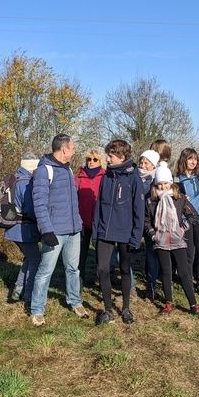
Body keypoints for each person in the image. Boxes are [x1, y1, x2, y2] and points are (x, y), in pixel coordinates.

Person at [29, 134, 89, 327]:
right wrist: (46, 230)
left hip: (73, 230)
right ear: (64, 149)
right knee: (45, 271)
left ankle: (75, 301)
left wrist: (78, 222)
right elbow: (39, 203)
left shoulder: (68, 169)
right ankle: (37, 310)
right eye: (72, 147)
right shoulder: (44, 171)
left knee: (73, 269)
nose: (74, 151)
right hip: (54, 232)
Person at [144, 162, 199, 318]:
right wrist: (153, 233)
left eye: (165, 183)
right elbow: (146, 220)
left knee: (184, 272)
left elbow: (193, 215)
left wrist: (182, 228)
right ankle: (169, 302)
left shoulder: (179, 198)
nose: (162, 187)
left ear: (171, 182)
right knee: (166, 272)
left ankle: (193, 305)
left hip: (178, 240)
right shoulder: (151, 201)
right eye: (159, 184)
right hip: (160, 241)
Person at [92, 140, 146, 325]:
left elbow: (139, 209)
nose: (107, 158)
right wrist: (95, 231)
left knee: (124, 270)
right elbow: (98, 205)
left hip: (125, 233)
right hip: (104, 232)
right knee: (102, 269)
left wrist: (136, 236)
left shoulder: (133, 178)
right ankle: (107, 309)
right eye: (108, 154)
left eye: (111, 156)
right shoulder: (106, 177)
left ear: (122, 157)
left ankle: (126, 308)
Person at [5, 154, 41, 305]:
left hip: (13, 228)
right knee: (36, 260)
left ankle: (17, 291)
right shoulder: (26, 183)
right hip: (24, 229)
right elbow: (30, 209)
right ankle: (28, 294)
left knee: (29, 258)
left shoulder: (15, 178)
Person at [176, 147, 199, 295]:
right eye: (190, 158)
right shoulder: (177, 179)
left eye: (195, 159)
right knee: (190, 253)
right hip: (186, 220)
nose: (193, 161)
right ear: (184, 160)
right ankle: (187, 281)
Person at [75, 148, 106, 285]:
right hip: (82, 220)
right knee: (80, 254)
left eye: (95, 159)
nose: (91, 162)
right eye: (89, 159)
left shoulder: (105, 176)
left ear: (101, 161)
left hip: (99, 220)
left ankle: (101, 281)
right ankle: (79, 281)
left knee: (101, 254)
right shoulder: (79, 177)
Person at [138, 149, 161, 301]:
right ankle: (130, 287)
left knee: (151, 255)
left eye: (147, 163)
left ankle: (151, 287)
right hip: (133, 220)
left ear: (154, 166)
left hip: (150, 222)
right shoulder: (133, 177)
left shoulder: (157, 180)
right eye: (141, 162)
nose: (143, 165)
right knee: (125, 253)